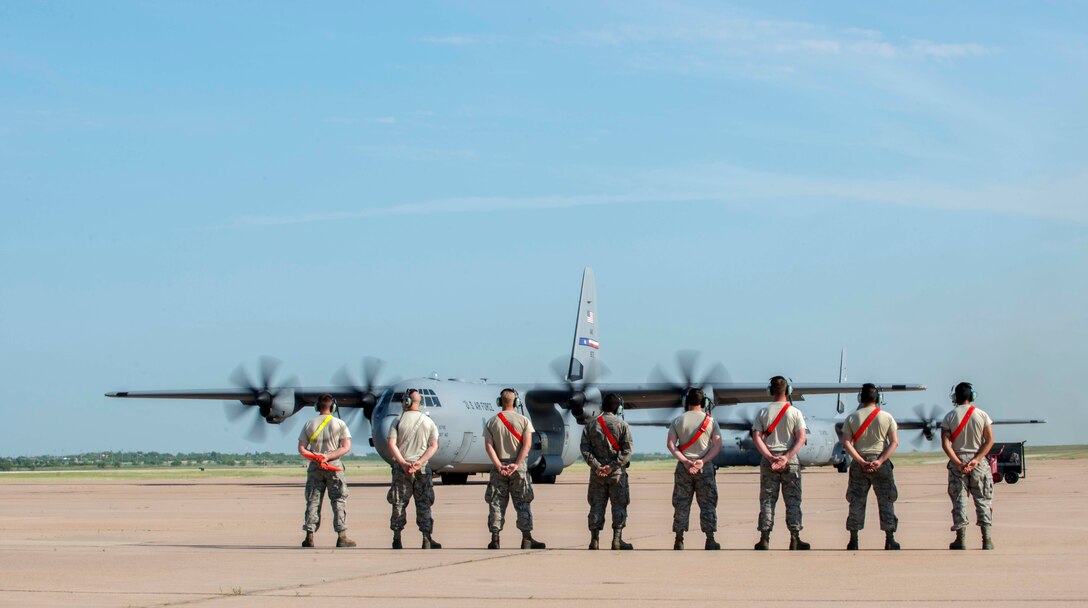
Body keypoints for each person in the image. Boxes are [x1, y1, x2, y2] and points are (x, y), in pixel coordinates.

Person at [751, 376, 810, 550]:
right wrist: (787, 456)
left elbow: (756, 438)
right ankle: (795, 538)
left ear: (769, 391)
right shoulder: (795, 412)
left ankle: (764, 539)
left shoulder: (763, 413)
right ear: (789, 391)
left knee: (767, 500)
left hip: (769, 461)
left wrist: (770, 457)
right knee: (793, 500)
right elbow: (801, 438)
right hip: (790, 461)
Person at [483, 388, 545, 550]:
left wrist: (498, 465)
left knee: (496, 503)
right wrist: (517, 464)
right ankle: (526, 539)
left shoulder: (492, 422)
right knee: (523, 502)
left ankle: (495, 539)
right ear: (516, 402)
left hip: (499, 468)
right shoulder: (524, 421)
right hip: (519, 469)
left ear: (499, 402)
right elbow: (527, 445)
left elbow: (489, 446)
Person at [840, 383, 900, 550]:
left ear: (860, 398)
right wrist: (880, 461)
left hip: (860, 465)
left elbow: (846, 442)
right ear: (878, 398)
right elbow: (894, 442)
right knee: (886, 500)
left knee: (856, 502)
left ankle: (853, 540)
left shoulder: (852, 418)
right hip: (881, 464)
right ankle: (890, 539)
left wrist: (860, 461)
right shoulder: (887, 417)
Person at [666, 388, 723, 550]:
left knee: (681, 503)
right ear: (704, 403)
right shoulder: (711, 421)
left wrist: (685, 461)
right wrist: (702, 461)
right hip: (704, 468)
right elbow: (718, 445)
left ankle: (679, 539)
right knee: (708, 504)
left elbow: (670, 444)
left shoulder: (678, 420)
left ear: (686, 402)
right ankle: (710, 540)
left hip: (684, 468)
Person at [941, 381, 995, 550]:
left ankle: (961, 539)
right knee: (983, 500)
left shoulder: (949, 417)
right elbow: (989, 441)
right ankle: (986, 540)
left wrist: (957, 462)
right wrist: (977, 459)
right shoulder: (982, 415)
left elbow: (945, 444)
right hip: (978, 463)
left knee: (959, 501)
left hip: (958, 463)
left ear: (955, 397)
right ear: (972, 396)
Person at [297, 393, 355, 548]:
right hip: (334, 466)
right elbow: (346, 447)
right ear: (333, 406)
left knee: (313, 500)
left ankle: (309, 536)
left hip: (316, 466)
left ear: (317, 407)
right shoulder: (340, 424)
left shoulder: (309, 424)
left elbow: (302, 448)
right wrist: (328, 457)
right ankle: (342, 536)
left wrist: (318, 457)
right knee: (338, 500)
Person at [387, 388, 441, 550]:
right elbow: (433, 446)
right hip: (422, 468)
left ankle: (397, 538)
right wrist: (420, 462)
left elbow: (391, 444)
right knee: (424, 503)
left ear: (406, 402)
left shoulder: (397, 420)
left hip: (401, 468)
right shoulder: (428, 421)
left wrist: (403, 463)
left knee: (399, 503)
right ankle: (426, 539)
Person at [580, 393, 634, 550]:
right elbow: (627, 451)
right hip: (617, 474)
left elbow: (585, 449)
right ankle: (617, 540)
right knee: (619, 505)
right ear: (618, 408)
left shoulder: (591, 425)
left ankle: (594, 540)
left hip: (597, 475)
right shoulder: (622, 425)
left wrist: (597, 466)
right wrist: (612, 466)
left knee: (596, 505)